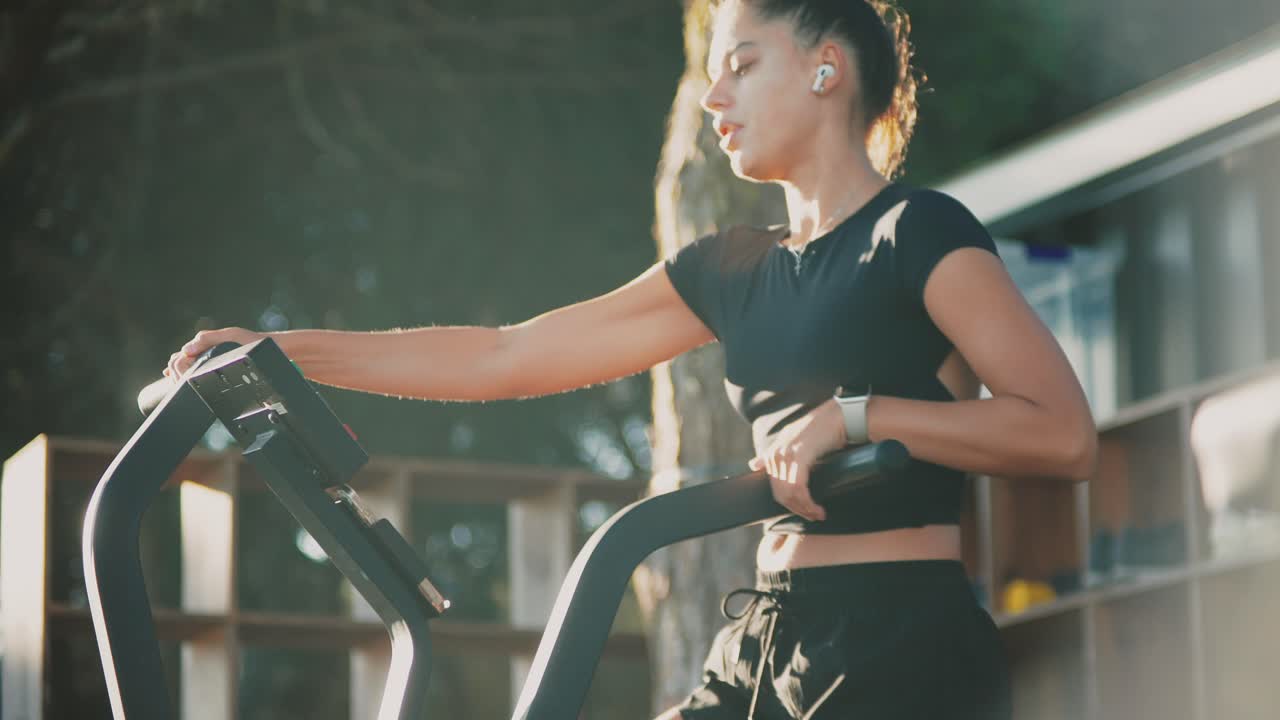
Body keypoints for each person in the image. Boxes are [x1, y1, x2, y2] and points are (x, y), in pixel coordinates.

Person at [168, 0, 1098, 717]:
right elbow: (507, 355)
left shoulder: (916, 233)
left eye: (740, 65)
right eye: (710, 74)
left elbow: (1062, 435)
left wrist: (862, 416)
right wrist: (283, 352)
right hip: (768, 640)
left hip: (899, 643)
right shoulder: (734, 268)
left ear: (827, 68)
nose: (714, 98)